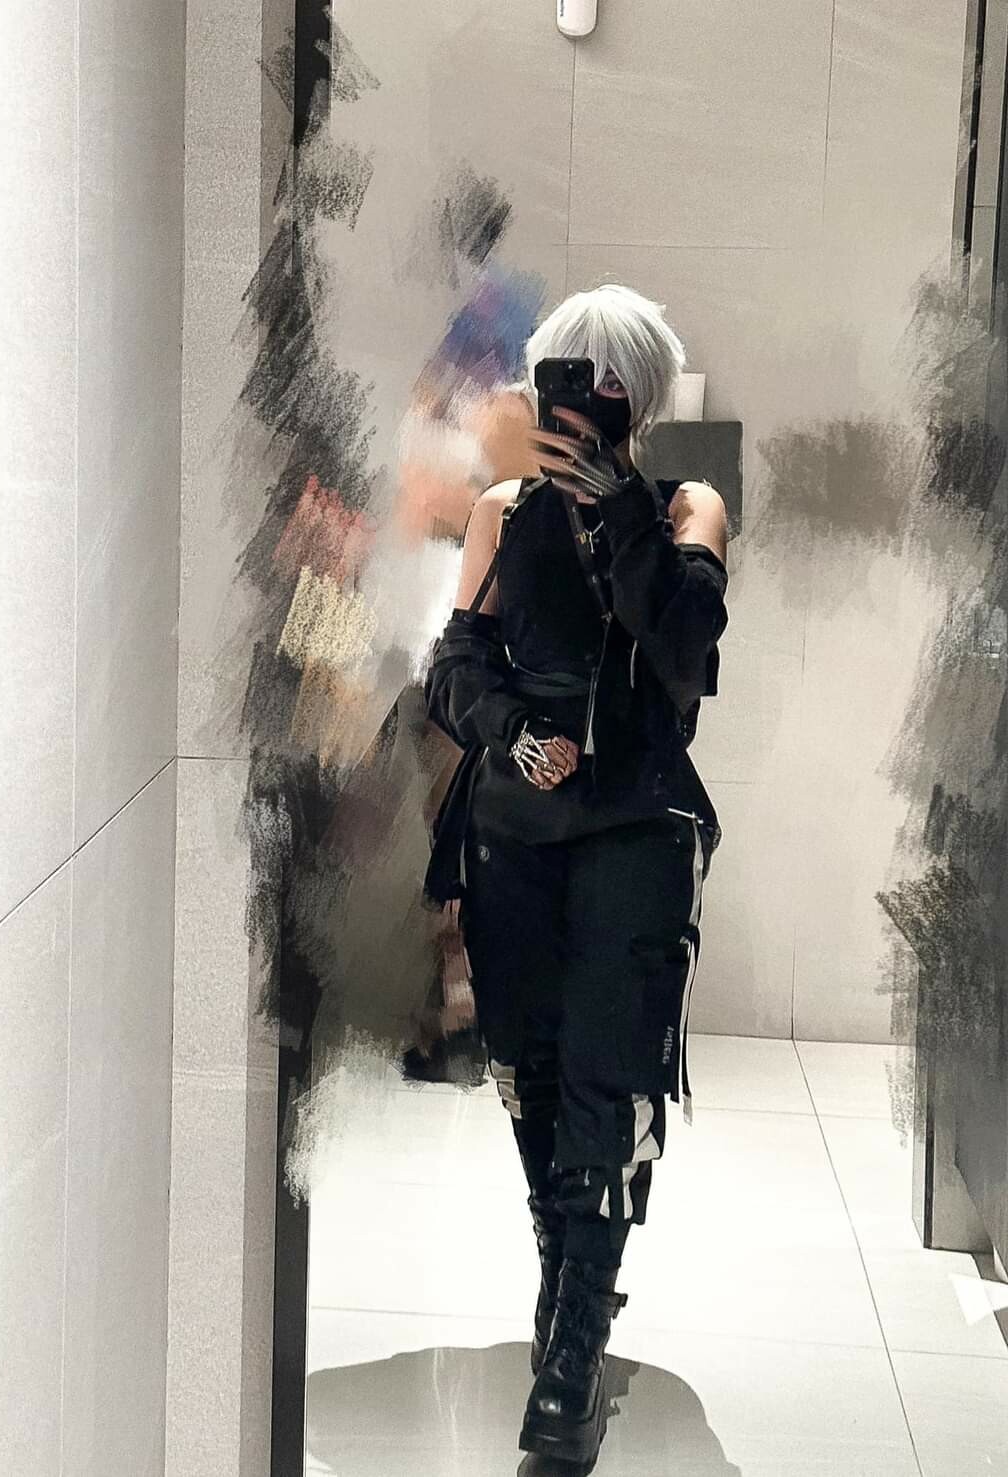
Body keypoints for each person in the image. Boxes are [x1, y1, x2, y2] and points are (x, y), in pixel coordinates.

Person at [423, 283, 729, 1465]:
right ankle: (570, 1296)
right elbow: (454, 667)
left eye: (606, 383)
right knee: (533, 1077)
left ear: (637, 397)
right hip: (513, 832)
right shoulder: (504, 511)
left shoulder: (686, 509)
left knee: (610, 1083)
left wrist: (622, 517)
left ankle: (568, 1369)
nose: (583, 401)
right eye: (566, 378)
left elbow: (685, 651)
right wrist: (509, 730)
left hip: (637, 829)